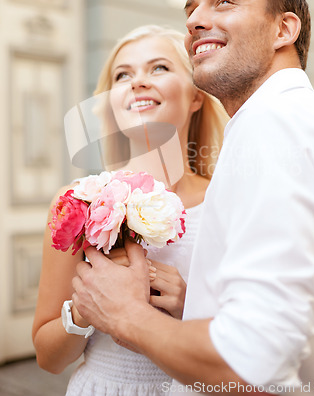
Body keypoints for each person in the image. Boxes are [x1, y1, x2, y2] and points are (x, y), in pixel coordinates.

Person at [71, 0, 314, 395]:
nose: (195, 21)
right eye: (191, 9)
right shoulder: (288, 121)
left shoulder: (276, 123)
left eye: (225, 2)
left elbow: (253, 362)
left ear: (284, 30)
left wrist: (124, 315)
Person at [32, 24, 228, 395]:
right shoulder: (77, 202)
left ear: (196, 97)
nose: (138, 82)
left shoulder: (227, 199)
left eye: (159, 68)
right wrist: (85, 309)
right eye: (123, 75)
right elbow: (48, 358)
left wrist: (192, 306)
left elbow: (261, 334)